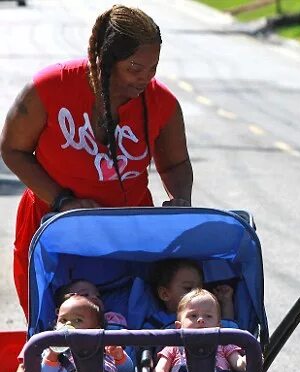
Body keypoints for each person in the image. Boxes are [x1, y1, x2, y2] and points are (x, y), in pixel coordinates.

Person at [0, 5, 193, 317]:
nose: (145, 78)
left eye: (152, 68)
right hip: (54, 235)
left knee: (127, 332)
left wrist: (180, 199)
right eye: (134, 68)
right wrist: (63, 201)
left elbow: (175, 164)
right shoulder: (50, 87)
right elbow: (12, 149)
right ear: (104, 61)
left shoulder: (162, 103)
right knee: (56, 335)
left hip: (126, 238)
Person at [143, 258, 237, 329]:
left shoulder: (206, 313)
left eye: (200, 288)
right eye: (188, 288)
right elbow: (144, 346)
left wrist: (226, 302)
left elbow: (228, 328)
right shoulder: (158, 321)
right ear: (165, 294)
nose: (196, 294)